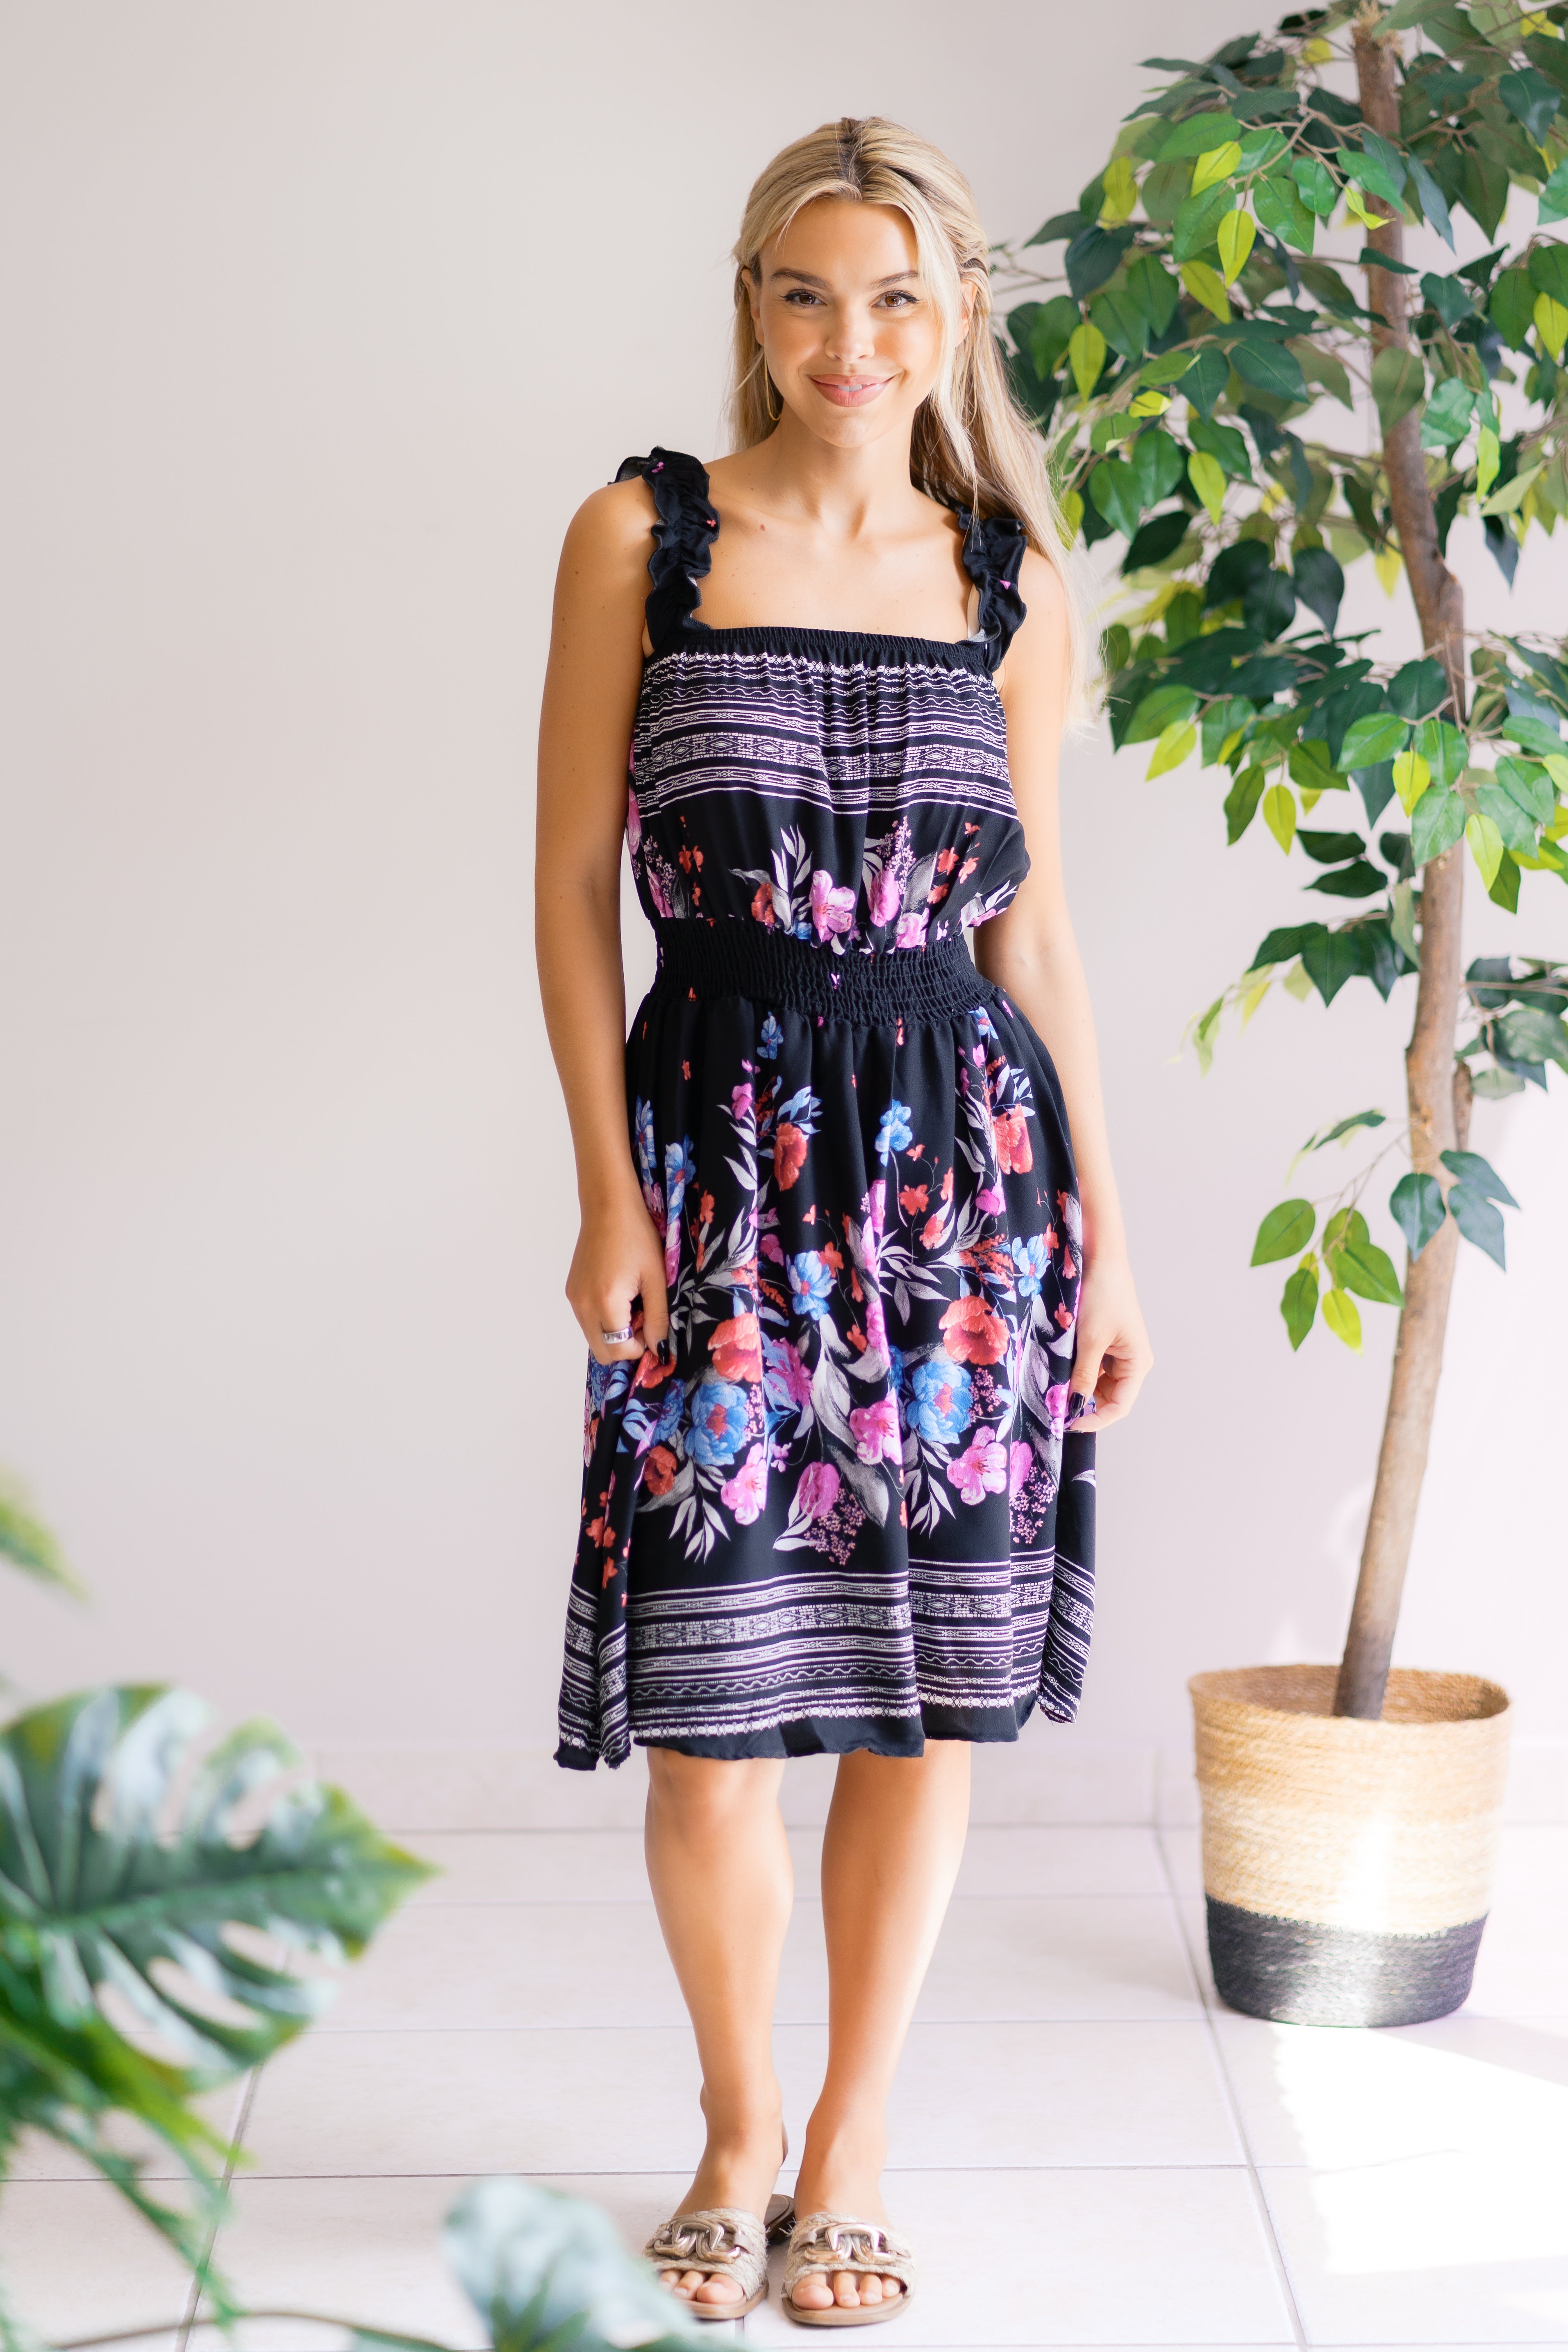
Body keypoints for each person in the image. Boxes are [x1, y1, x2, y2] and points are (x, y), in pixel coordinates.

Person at [536, 115, 1152, 2330]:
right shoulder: (644, 534)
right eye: (804, 292)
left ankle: (849, 2140)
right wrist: (605, 1187)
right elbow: (565, 891)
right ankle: (726, 2126)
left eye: (893, 295)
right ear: (751, 306)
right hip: (713, 1163)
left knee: (917, 1706)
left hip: (971, 1192)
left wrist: (1110, 1233)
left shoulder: (1008, 578)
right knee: (717, 1706)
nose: (847, 339)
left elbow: (1042, 940)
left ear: (954, 311)